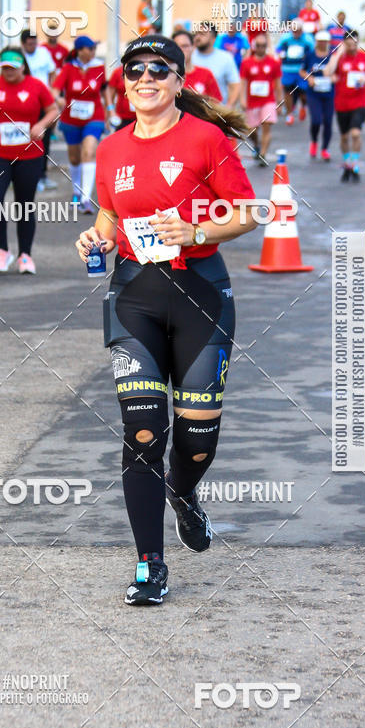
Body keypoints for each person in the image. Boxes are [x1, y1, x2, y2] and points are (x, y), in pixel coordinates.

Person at [74, 35, 258, 605]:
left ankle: (184, 493)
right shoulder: (110, 148)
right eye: (135, 70)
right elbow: (110, 216)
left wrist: (198, 232)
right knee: (144, 431)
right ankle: (149, 565)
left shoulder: (206, 139)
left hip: (202, 295)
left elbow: (251, 211)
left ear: (179, 80)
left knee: (198, 435)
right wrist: (94, 239)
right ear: (123, 81)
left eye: (159, 69)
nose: (145, 78)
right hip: (135, 299)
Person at [0, 47, 58, 274]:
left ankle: (25, 255)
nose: (7, 72)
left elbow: (53, 110)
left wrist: (41, 125)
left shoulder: (36, 86)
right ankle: (2, 250)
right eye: (4, 68)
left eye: (12, 68)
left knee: (24, 204)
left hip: (29, 154)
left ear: (22, 66)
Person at [52, 35, 107, 213]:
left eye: (94, 48)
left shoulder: (99, 66)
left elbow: (104, 89)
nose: (93, 52)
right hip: (71, 119)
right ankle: (76, 191)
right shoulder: (68, 68)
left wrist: (110, 107)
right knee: (75, 158)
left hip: (94, 116)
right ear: (80, 51)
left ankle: (86, 198)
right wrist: (58, 99)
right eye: (90, 48)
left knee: (89, 152)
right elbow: (55, 89)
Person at [324, 30, 365, 183]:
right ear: (344, 44)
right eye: (349, 45)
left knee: (356, 134)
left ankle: (355, 163)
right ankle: (347, 163)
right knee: (344, 137)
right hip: (342, 104)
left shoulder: (364, 57)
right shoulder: (338, 58)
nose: (352, 47)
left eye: (355, 44)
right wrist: (338, 54)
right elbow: (327, 72)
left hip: (360, 103)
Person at [20, 29, 57, 192]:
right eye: (29, 44)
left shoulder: (43, 53)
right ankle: (22, 175)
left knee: (45, 139)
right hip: (25, 103)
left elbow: (52, 71)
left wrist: (52, 91)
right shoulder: (20, 57)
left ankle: (42, 174)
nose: (32, 46)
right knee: (26, 139)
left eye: (34, 43)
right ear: (23, 44)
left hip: (44, 102)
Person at [239, 33, 282, 166]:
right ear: (254, 46)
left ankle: (263, 154)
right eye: (258, 45)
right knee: (251, 130)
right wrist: (242, 99)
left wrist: (279, 102)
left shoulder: (273, 63)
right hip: (252, 102)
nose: (261, 48)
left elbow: (278, 84)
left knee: (267, 125)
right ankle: (257, 145)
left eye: (264, 46)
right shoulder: (247, 63)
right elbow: (243, 82)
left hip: (268, 101)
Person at [299, 30, 334, 161]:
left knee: (328, 122)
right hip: (314, 93)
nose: (323, 44)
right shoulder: (310, 55)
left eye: (325, 42)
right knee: (316, 120)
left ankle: (325, 148)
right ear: (317, 42)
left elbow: (338, 71)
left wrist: (334, 77)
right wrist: (309, 78)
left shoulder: (332, 57)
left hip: (329, 93)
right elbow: (302, 71)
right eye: (320, 42)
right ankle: (314, 141)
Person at [192, 23, 240, 105]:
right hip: (191, 112)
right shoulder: (189, 56)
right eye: (196, 34)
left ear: (213, 39)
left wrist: (228, 108)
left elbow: (235, 86)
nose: (198, 37)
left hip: (216, 112)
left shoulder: (226, 58)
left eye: (202, 34)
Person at [276, 19, 313, 124]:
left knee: (303, 93)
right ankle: (289, 114)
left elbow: (312, 53)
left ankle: (303, 107)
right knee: (288, 92)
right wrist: (280, 54)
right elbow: (278, 49)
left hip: (302, 70)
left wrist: (308, 60)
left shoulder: (308, 39)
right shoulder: (285, 38)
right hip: (287, 69)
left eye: (298, 30)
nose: (296, 33)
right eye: (294, 30)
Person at [172, 29, 222, 100]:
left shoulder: (206, 74)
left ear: (193, 47)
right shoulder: (166, 75)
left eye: (185, 46)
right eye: (177, 47)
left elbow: (216, 103)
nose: (180, 50)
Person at [106, 63, 136, 131]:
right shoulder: (118, 72)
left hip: (142, 118)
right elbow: (109, 97)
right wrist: (110, 114)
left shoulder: (145, 72)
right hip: (122, 118)